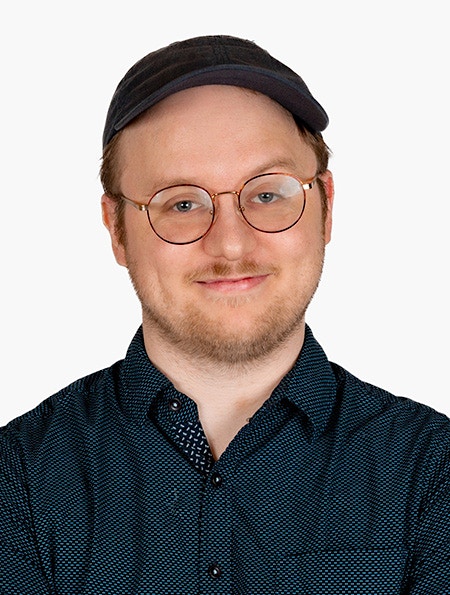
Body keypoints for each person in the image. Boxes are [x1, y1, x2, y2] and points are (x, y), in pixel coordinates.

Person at [1, 34, 449, 595]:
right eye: (182, 203)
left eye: (267, 195)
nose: (231, 245)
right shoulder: (17, 480)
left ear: (327, 207)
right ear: (116, 230)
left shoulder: (434, 472)